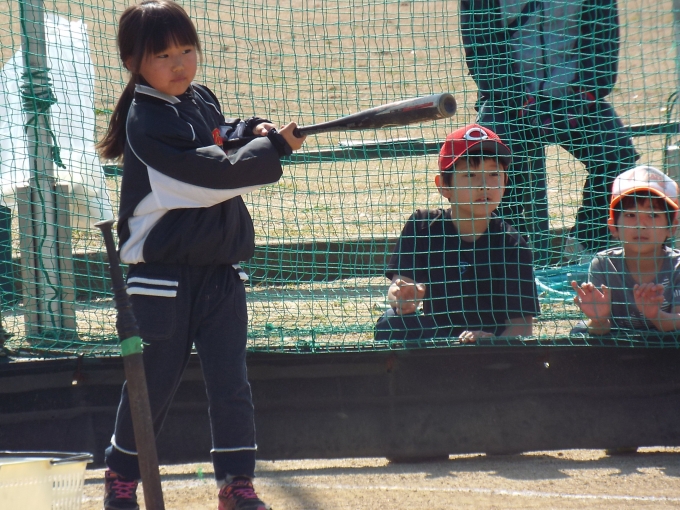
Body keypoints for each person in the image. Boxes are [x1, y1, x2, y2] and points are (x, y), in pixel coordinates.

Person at [96, 2, 306, 509]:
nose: (179, 64)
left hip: (219, 273)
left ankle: (236, 483)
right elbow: (209, 176)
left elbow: (220, 134)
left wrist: (254, 129)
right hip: (162, 278)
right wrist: (273, 150)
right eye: (163, 55)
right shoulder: (145, 121)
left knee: (232, 384)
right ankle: (121, 475)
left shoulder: (198, 99)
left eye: (186, 50)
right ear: (133, 63)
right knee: (152, 386)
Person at [459, 0, 639, 265]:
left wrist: (582, 95)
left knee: (618, 156)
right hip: (508, 98)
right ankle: (509, 254)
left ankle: (586, 247)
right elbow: (482, 52)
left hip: (574, 94)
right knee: (490, 164)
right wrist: (519, 101)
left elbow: (603, 48)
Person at [374, 124, 540, 343]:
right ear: (444, 185)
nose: (484, 185)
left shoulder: (512, 244)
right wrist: (401, 296)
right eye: (470, 174)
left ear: (505, 180)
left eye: (493, 174)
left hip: (489, 349)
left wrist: (492, 342)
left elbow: (522, 327)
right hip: (437, 341)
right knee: (390, 322)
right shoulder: (422, 226)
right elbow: (400, 285)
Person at [571, 166, 680, 337]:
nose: (640, 225)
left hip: (668, 347)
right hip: (617, 349)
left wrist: (655, 315)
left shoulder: (677, 266)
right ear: (613, 226)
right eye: (630, 215)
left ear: (671, 227)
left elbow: (677, 321)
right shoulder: (604, 264)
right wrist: (599, 320)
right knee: (579, 332)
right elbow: (601, 330)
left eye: (653, 215)